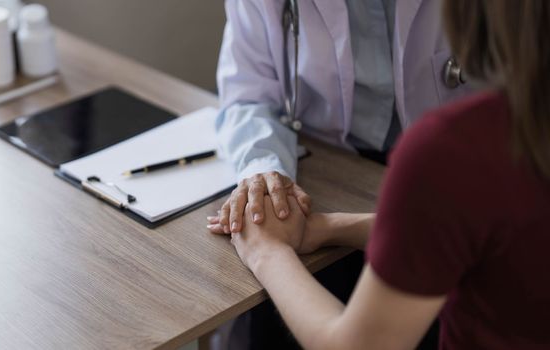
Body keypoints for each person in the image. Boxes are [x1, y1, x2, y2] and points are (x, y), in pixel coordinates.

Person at [209, 0, 550, 348]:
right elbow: (470, 223)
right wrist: (327, 226)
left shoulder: (447, 154)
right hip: (343, 181)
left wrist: (266, 252)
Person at [212, 0, 473, 233]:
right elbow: (248, 95)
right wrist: (264, 166)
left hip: (461, 171)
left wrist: (281, 250)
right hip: (334, 165)